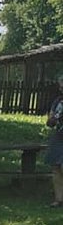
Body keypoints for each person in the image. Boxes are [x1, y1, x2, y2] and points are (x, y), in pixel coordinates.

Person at [45, 73, 63, 208]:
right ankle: (58, 199)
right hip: (58, 136)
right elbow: (49, 122)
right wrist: (53, 119)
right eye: (61, 86)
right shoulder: (57, 102)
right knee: (55, 167)